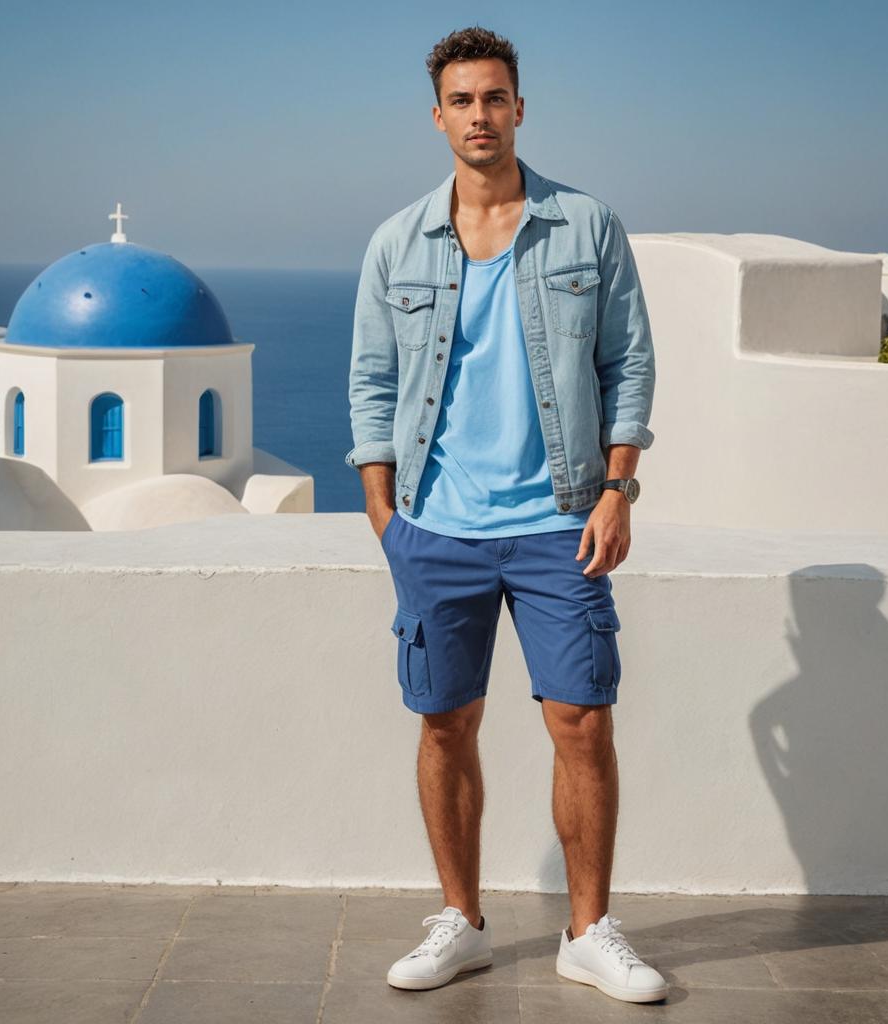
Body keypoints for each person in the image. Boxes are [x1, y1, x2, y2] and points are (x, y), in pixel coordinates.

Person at [345, 25, 666, 1004]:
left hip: (560, 520)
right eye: (461, 100)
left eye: (494, 97)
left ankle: (589, 929)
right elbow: (369, 379)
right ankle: (462, 920)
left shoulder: (583, 226)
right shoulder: (396, 241)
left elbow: (630, 363)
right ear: (436, 115)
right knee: (446, 722)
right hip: (435, 528)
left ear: (519, 107)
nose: (478, 115)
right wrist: (383, 514)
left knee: (580, 718)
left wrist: (617, 488)